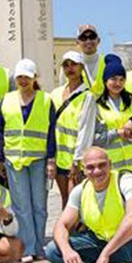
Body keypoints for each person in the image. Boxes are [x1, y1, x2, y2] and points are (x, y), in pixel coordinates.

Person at [0, 59, 56, 262]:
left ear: (34, 78)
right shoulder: (7, 99)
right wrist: (1, 158)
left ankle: (39, 245)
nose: (23, 80)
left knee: (39, 205)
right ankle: (28, 247)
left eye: (27, 77)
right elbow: (1, 131)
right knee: (21, 205)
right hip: (14, 160)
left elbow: (51, 132)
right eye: (20, 77)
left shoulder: (46, 100)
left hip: (39, 159)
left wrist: (51, 159)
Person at [50, 51, 97, 207]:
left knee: (75, 203)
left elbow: (85, 130)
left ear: (81, 67)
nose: (70, 68)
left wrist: (77, 161)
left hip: (75, 161)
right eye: (66, 65)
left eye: (74, 64)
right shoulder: (55, 94)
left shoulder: (87, 96)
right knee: (64, 201)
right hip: (59, 158)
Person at [93, 54, 132, 176]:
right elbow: (95, 139)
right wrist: (117, 133)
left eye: (121, 79)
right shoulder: (96, 106)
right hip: (112, 169)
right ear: (105, 80)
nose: (117, 83)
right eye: (113, 79)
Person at [76, 24, 107, 96]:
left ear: (98, 40)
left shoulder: (107, 62)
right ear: (77, 43)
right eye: (83, 38)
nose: (88, 41)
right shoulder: (72, 64)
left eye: (92, 37)